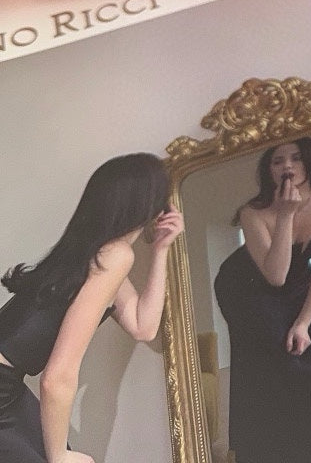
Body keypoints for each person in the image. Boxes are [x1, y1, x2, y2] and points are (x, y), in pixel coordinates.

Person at [0, 153, 184, 463]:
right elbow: (57, 377)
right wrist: (59, 456)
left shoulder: (96, 254)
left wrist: (161, 250)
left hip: (8, 386)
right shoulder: (113, 256)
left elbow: (143, 326)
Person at [213, 139, 311, 463]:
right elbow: (275, 275)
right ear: (269, 170)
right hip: (246, 286)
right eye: (277, 161)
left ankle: (310, 455)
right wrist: (286, 214)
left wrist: (303, 322)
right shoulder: (253, 212)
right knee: (271, 364)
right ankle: (261, 454)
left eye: (296, 158)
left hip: (299, 282)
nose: (287, 166)